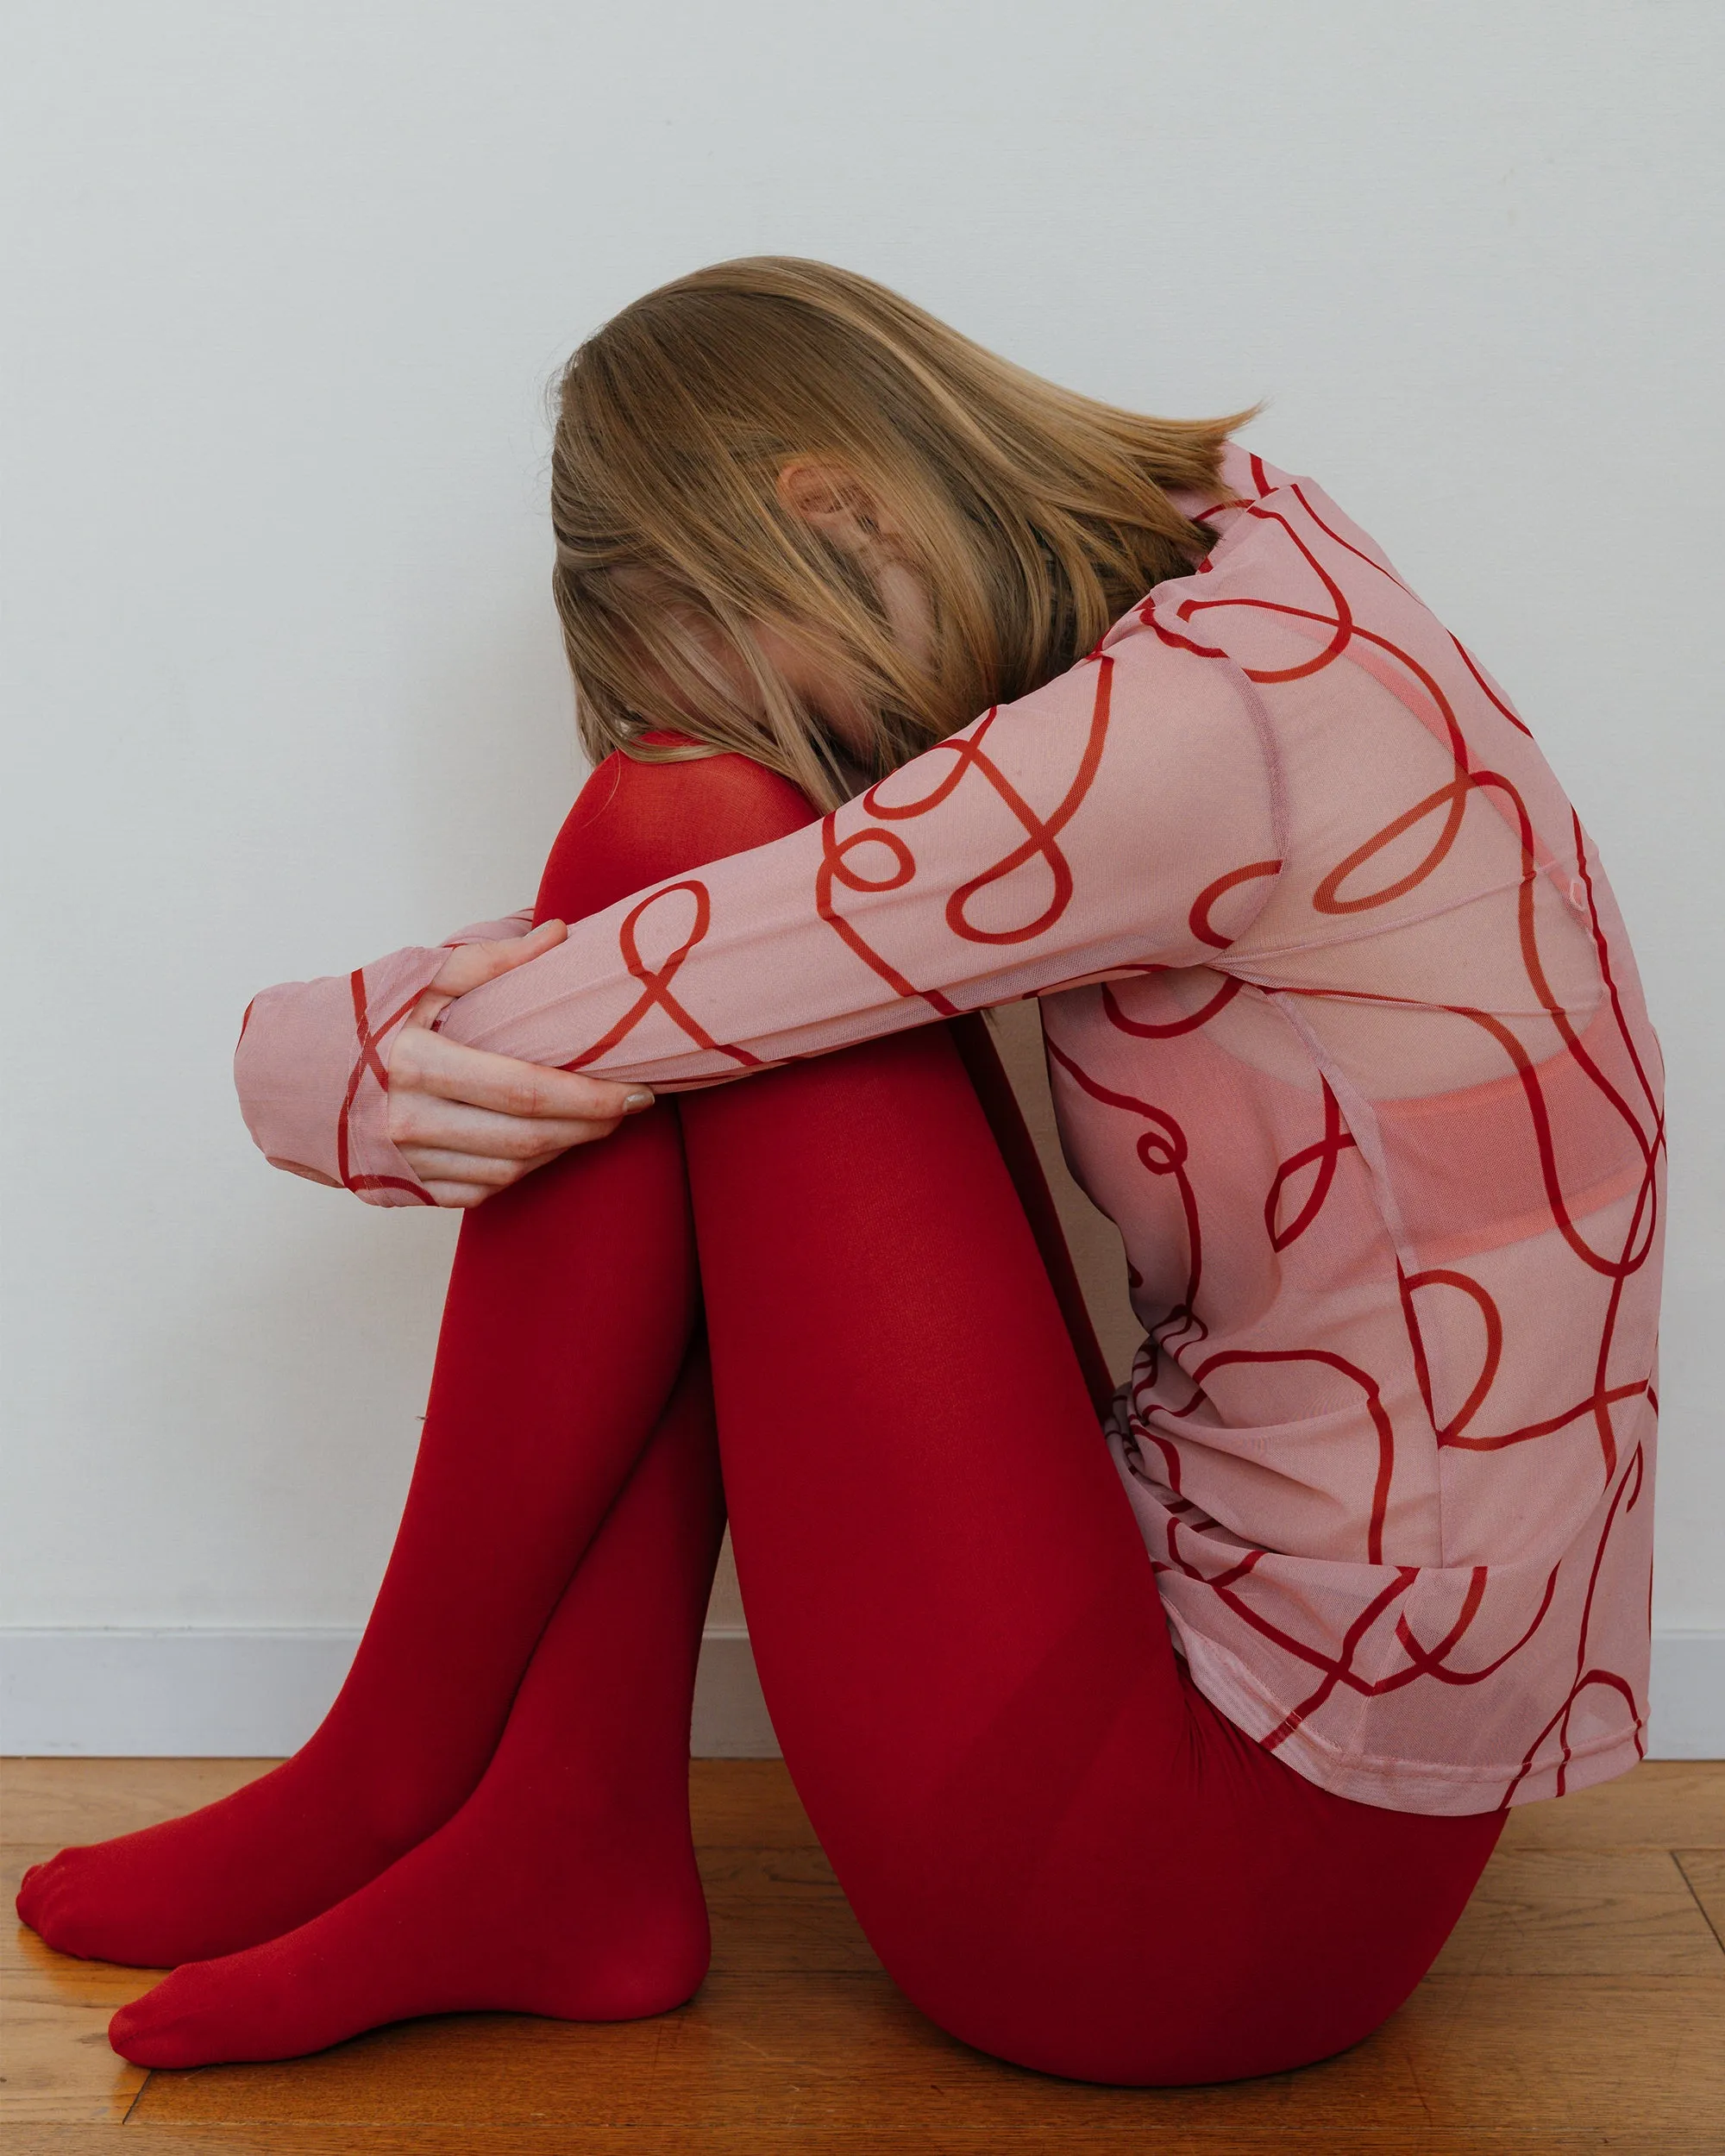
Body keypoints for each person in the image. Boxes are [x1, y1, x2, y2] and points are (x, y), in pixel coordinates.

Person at [17, 259, 1662, 2085]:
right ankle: (553, 1829)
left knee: (679, 830)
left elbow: (681, 949)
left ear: (829, 512)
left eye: (764, 687)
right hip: (1294, 1788)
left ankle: (413, 1766)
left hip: (1198, 1906)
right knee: (711, 946)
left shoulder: (1205, 732)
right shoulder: (1262, 582)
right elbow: (742, 961)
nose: (832, 767)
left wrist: (303, 1060)